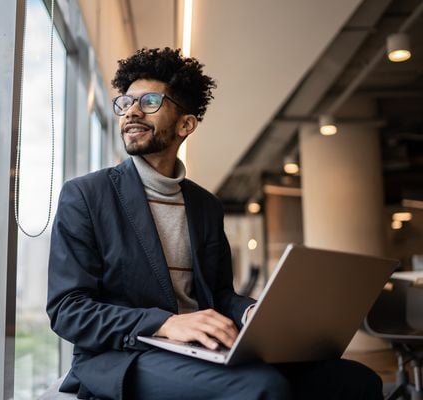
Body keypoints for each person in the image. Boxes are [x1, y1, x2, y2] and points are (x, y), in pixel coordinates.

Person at [47, 47, 382, 400]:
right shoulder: (86, 195)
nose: (131, 111)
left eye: (148, 102)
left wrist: (253, 312)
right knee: (263, 388)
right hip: (124, 356)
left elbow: (218, 294)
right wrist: (164, 323)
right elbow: (69, 309)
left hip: (201, 348)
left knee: (356, 381)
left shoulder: (205, 205)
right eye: (125, 102)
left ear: (185, 124)